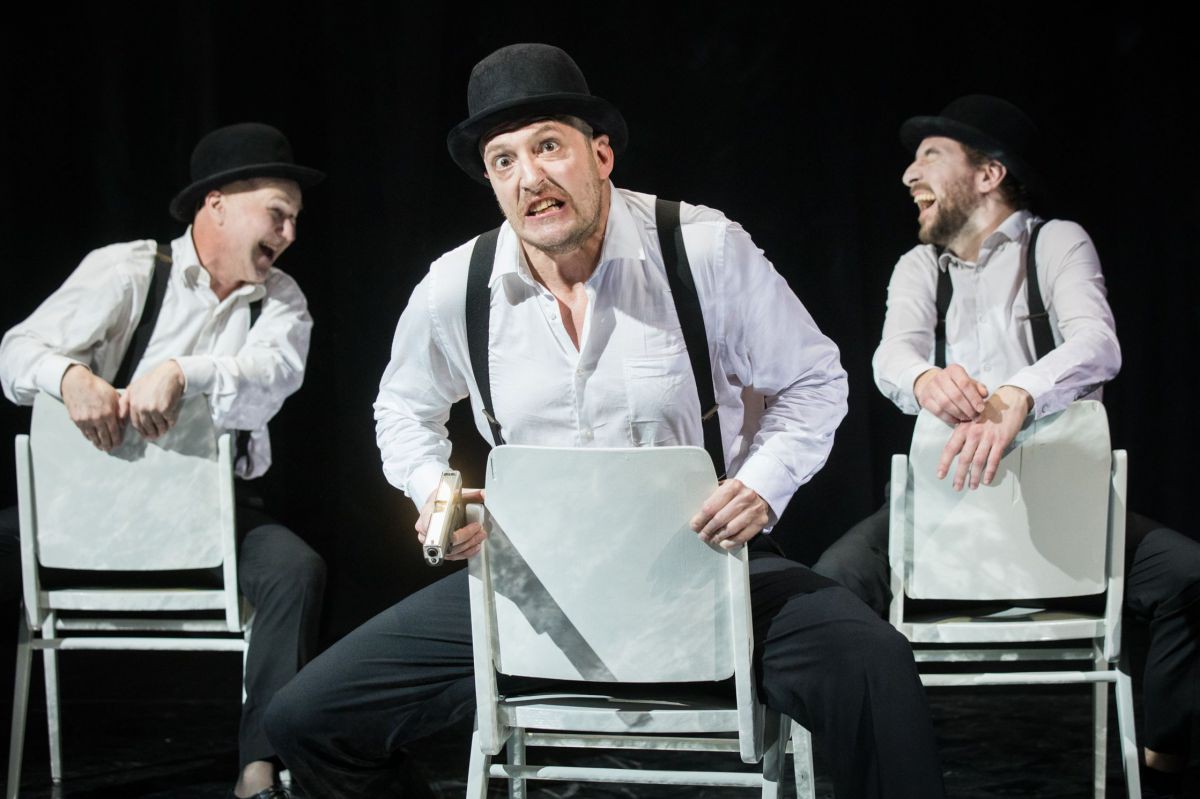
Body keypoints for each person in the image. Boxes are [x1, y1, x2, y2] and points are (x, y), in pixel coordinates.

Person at [263, 43, 945, 799]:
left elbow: (814, 378)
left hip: (704, 573)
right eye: (503, 160)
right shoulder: (457, 285)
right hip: (535, 589)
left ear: (601, 154)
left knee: (874, 669)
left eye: (548, 147)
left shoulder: (701, 248)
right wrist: (435, 492)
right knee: (305, 721)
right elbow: (401, 407)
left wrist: (762, 483)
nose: (530, 177)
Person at [812, 95, 1200, 797]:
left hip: (1059, 503)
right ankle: (868, 774)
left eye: (930, 156)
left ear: (989, 173)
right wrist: (925, 379)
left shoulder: (1055, 242)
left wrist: (1019, 393)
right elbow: (890, 355)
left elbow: (1097, 341)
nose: (909, 174)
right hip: (946, 503)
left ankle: (1163, 764)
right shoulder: (919, 266)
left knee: (1188, 577)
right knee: (832, 588)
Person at [0, 122, 328, 799]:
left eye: (295, 219)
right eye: (278, 213)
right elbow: (15, 353)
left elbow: (273, 377)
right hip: (91, 506)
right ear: (217, 204)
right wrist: (69, 377)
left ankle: (260, 766)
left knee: (294, 570)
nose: (290, 232)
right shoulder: (128, 270)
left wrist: (183, 370)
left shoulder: (281, 301)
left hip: (209, 512)